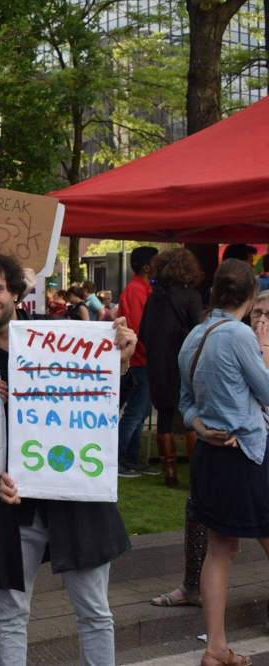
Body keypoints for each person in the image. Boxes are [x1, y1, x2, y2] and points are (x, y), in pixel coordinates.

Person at [0, 245, 136, 666]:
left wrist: (120, 363)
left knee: (94, 612)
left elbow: (103, 409)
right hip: (14, 509)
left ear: (16, 290)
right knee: (11, 614)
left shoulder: (67, 337)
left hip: (76, 500)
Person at [176, 261, 269, 666]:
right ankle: (215, 649)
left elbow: (184, 404)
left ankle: (215, 647)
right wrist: (263, 349)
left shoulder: (194, 336)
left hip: (210, 455)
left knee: (219, 550)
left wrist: (200, 426)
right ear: (250, 299)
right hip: (246, 456)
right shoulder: (239, 335)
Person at [139, 248, 205, 488]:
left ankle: (169, 472)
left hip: (157, 363)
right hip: (182, 364)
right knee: (190, 416)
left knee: (165, 416)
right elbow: (198, 335)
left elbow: (143, 333)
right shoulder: (192, 297)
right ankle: (198, 472)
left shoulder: (154, 297)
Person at [115, 246, 159, 478]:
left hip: (143, 358)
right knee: (135, 412)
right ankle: (119, 460)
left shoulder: (143, 288)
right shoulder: (135, 290)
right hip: (139, 360)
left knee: (139, 413)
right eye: (156, 261)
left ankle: (131, 458)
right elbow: (139, 327)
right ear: (146, 266)